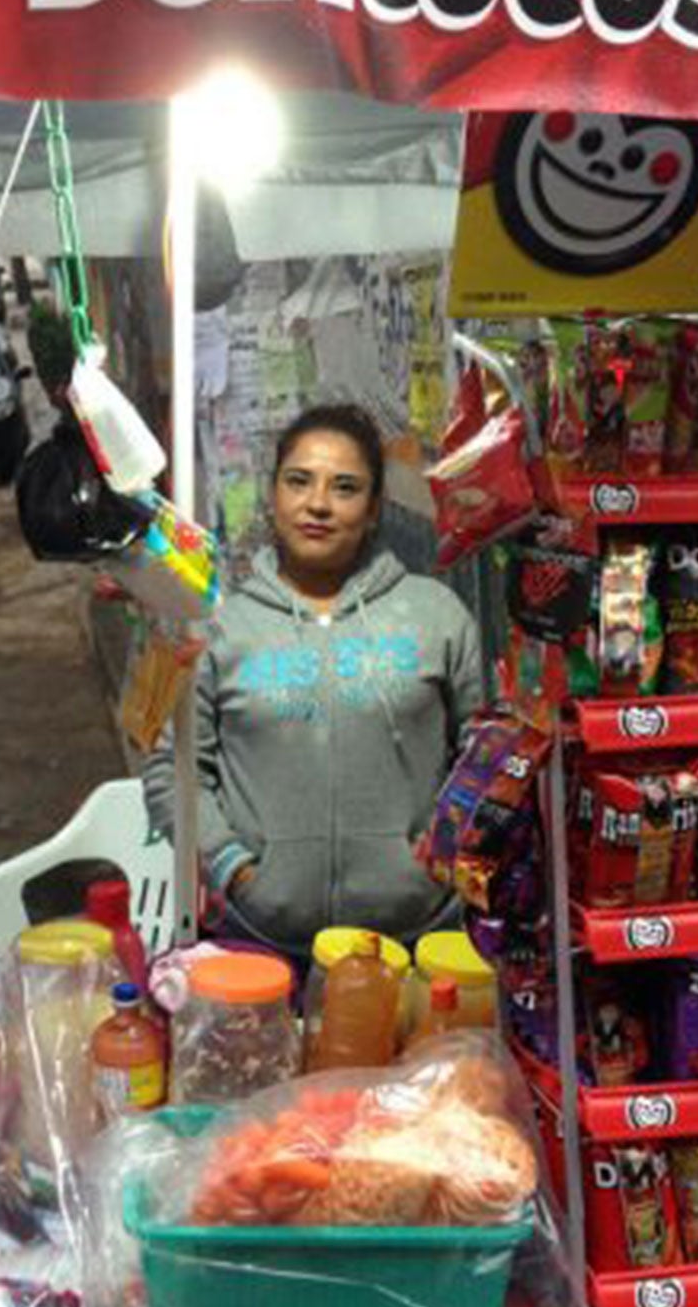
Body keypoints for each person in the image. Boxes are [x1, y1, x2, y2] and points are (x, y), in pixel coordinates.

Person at [143, 403, 484, 959]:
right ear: (273, 495)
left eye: (345, 488)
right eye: (298, 482)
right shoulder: (219, 629)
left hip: (420, 939)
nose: (318, 504)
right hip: (259, 942)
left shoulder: (436, 616)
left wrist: (441, 855)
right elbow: (171, 771)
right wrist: (233, 867)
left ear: (374, 509)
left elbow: (486, 758)